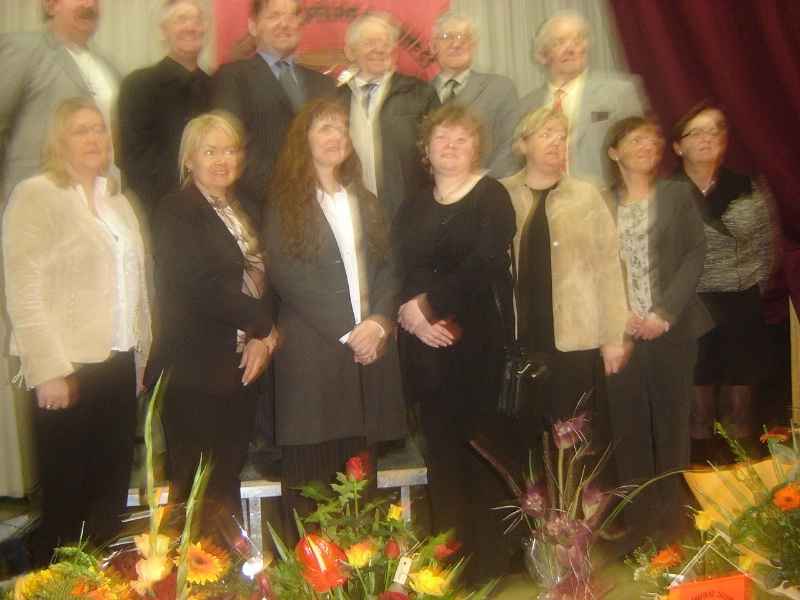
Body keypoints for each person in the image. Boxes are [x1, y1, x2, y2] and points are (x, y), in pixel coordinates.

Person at [3, 97, 151, 565]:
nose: (94, 138)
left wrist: (140, 358)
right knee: (67, 502)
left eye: (99, 129)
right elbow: (23, 291)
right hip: (67, 369)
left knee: (109, 496)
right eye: (81, 130)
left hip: (118, 363)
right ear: (59, 141)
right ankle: (59, 585)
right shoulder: (36, 195)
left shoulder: (118, 201)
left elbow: (137, 286)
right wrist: (47, 370)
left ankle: (101, 586)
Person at [263, 98, 406, 540]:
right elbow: (289, 276)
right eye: (324, 127)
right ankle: (309, 573)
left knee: (361, 484)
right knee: (311, 487)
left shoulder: (366, 201)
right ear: (302, 139)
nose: (336, 136)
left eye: (342, 128)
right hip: (314, 359)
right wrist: (351, 332)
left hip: (369, 356)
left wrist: (378, 323)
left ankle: (361, 570)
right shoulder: (284, 202)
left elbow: (389, 267)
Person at [394, 104, 515, 581]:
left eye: (461, 139)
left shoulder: (492, 196)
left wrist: (428, 304)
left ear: (477, 147)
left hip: (477, 345)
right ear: (426, 149)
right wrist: (414, 318)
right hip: (425, 347)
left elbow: (485, 263)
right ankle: (449, 563)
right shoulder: (413, 204)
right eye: (442, 138)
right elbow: (398, 265)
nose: (451, 146)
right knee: (440, 455)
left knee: (480, 453)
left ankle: (488, 564)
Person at [145, 111, 278, 526]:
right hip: (194, 371)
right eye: (210, 151)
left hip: (239, 365)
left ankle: (225, 564)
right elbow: (197, 287)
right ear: (189, 159)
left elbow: (268, 279)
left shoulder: (244, 207)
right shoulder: (175, 211)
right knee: (195, 488)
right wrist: (264, 328)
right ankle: (194, 567)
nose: (223, 160)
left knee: (226, 479)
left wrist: (262, 340)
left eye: (231, 150)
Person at [604, 116, 712, 543]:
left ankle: (673, 528)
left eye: (652, 139)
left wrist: (663, 313)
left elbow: (694, 254)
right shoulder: (601, 202)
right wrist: (619, 315)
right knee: (628, 429)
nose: (648, 145)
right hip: (621, 336)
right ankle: (638, 528)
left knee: (672, 427)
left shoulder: (676, 194)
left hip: (672, 329)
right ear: (614, 152)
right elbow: (594, 265)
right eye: (636, 140)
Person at [500, 106, 629, 425]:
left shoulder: (586, 195)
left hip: (575, 333)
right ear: (523, 144)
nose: (556, 142)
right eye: (546, 134)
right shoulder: (501, 194)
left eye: (561, 136)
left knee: (574, 431)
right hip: (520, 335)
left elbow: (609, 269)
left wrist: (614, 336)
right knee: (525, 430)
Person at [671, 102, 776, 457]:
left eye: (715, 130)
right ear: (677, 146)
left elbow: (766, 244)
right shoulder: (664, 191)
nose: (707, 138)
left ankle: (745, 479)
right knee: (696, 411)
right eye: (696, 132)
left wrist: (748, 284)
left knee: (741, 408)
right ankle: (699, 476)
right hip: (688, 308)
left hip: (741, 304)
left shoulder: (747, 185)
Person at [212, 0, 335, 219]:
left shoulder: (324, 84)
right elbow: (232, 146)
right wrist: (288, 195)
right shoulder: (232, 78)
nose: (284, 23)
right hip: (260, 211)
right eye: (274, 16)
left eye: (292, 16)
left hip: (322, 211)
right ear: (253, 26)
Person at [0, 0, 119, 200]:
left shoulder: (107, 67)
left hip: (96, 199)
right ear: (51, 5)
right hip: (37, 199)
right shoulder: (24, 49)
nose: (90, 4)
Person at [517, 10, 645, 187]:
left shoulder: (620, 93)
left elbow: (638, 154)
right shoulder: (527, 105)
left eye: (578, 40)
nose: (570, 49)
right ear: (542, 55)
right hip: (545, 199)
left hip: (604, 198)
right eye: (559, 42)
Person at [338, 12, 440, 221]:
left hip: (410, 212)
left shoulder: (420, 93)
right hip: (353, 214)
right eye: (369, 43)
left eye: (385, 43)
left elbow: (439, 153)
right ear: (350, 51)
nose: (379, 49)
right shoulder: (334, 100)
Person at [118, 0, 212, 219]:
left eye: (197, 20)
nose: (191, 27)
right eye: (181, 19)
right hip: (159, 210)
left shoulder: (217, 86)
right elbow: (134, 161)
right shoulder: (138, 85)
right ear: (163, 31)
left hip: (211, 210)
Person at [430, 12, 519, 178]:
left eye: (463, 37)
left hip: (488, 188)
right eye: (447, 37)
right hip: (434, 190)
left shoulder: (501, 88)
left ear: (473, 46)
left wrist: (481, 186)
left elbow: (511, 146)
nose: (456, 44)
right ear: (433, 46)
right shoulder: (418, 94)